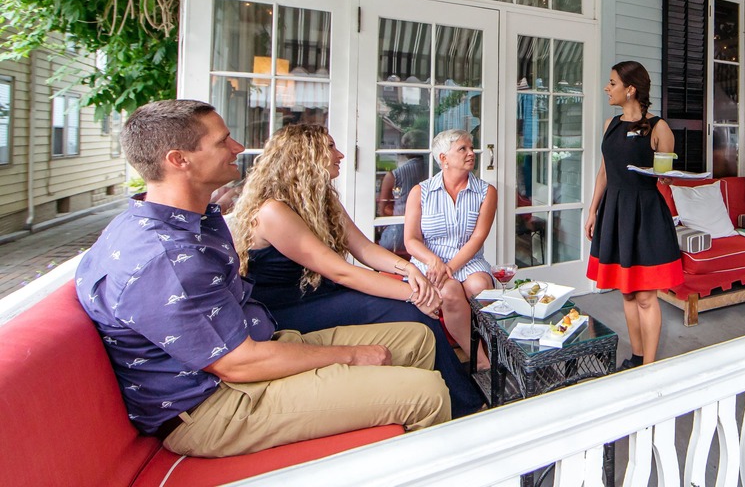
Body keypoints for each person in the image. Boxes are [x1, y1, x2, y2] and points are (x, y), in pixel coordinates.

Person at [75, 100, 449, 459]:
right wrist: (354, 355)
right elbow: (238, 365)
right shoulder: (166, 258)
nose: (238, 147)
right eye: (222, 141)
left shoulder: (189, 223)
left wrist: (409, 275)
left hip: (256, 346)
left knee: (415, 338)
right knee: (426, 392)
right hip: (214, 403)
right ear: (179, 160)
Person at [235, 124, 483, 416]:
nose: (340, 154)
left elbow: (363, 249)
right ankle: (462, 405)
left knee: (413, 311)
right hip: (285, 307)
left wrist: (409, 270)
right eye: (330, 147)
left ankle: (450, 394)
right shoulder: (273, 211)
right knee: (414, 312)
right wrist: (416, 294)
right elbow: (342, 272)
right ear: (305, 155)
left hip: (318, 292)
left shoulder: (322, 199)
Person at [585, 61, 685, 368]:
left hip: (646, 215)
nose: (607, 88)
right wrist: (593, 211)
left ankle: (649, 367)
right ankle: (637, 356)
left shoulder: (659, 128)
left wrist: (667, 175)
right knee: (627, 293)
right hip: (614, 211)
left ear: (630, 89)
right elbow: (604, 172)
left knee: (644, 296)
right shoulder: (610, 124)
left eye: (612, 83)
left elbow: (665, 176)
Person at [403, 129, 498, 369]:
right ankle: (480, 361)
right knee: (449, 291)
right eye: (463, 149)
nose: (471, 153)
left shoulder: (486, 192)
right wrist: (434, 262)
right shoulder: (420, 192)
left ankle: (497, 349)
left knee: (480, 287)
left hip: (468, 260)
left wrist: (450, 267)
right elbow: (411, 240)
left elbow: (477, 238)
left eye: (471, 148)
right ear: (443, 158)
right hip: (430, 262)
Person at [377, 129, 430, 252]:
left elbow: (382, 210)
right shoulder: (435, 171)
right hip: (427, 236)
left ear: (405, 148)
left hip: (397, 237)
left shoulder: (394, 175)